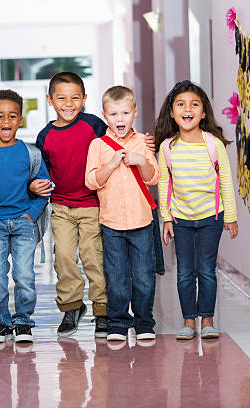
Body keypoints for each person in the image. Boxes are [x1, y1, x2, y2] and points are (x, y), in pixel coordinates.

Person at [154, 80, 238, 340]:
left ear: (203, 113)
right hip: (181, 218)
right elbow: (164, 183)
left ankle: (208, 320)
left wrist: (231, 217)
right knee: (185, 271)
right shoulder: (167, 147)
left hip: (212, 217)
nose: (187, 109)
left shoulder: (213, 145)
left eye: (194, 104)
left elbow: (225, 179)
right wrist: (166, 219)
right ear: (171, 112)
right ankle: (189, 322)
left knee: (206, 269)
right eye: (180, 104)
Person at [35, 72, 110, 337]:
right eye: (61, 98)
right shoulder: (45, 137)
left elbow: (116, 144)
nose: (69, 104)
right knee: (64, 257)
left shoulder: (94, 125)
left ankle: (102, 310)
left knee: (93, 257)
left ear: (85, 99)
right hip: (62, 208)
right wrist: (35, 186)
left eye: (75, 98)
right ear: (50, 101)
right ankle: (72, 307)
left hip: (92, 204)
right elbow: (41, 173)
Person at [0, 89, 51, 343]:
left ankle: (23, 322)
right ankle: (2, 323)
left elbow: (45, 188)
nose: (6, 122)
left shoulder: (32, 154)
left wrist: (30, 216)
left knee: (24, 276)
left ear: (20, 121)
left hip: (23, 224)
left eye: (12, 116)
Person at [85, 86, 160, 341]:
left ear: (135, 113)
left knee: (143, 276)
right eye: (114, 114)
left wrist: (141, 160)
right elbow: (92, 181)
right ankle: (117, 323)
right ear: (105, 115)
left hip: (141, 221)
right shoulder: (97, 145)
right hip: (112, 223)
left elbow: (154, 178)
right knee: (116, 277)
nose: (120, 119)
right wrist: (112, 164)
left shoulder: (142, 142)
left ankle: (144, 322)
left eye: (125, 113)